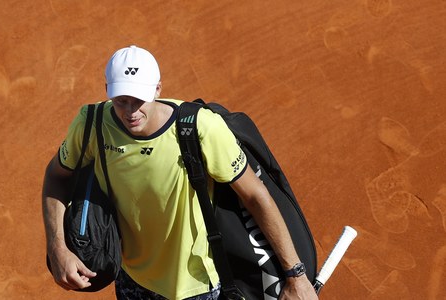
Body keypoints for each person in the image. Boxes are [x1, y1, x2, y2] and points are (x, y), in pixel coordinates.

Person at [42, 45, 318, 300]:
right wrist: (57, 248)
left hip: (196, 287)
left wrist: (296, 275)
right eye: (121, 100)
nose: (130, 111)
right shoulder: (91, 124)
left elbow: (256, 195)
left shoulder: (201, 128)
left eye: (139, 99)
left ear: (158, 89)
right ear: (107, 90)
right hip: (132, 281)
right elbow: (56, 176)